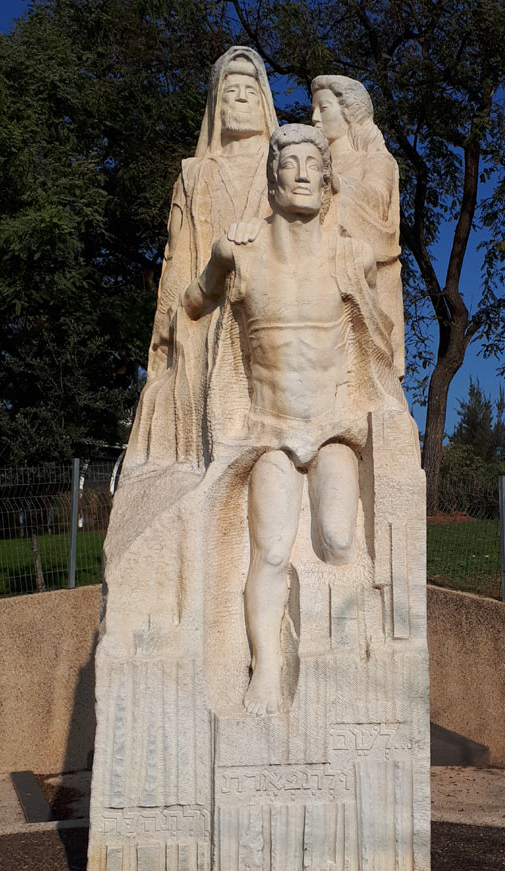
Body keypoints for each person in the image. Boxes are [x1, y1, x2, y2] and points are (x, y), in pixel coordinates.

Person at [185, 124, 406, 715]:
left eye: (315, 162)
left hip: (333, 423)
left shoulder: (349, 253)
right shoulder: (244, 252)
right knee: (273, 551)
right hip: (267, 429)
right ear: (273, 178)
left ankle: (351, 666)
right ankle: (266, 669)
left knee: (338, 538)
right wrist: (215, 261)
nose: (304, 172)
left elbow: (379, 341)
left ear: (328, 181)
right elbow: (190, 305)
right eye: (292, 163)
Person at [125, 47, 278, 470]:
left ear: (265, 102)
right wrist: (167, 338)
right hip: (206, 309)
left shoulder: (286, 169)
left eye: (251, 89)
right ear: (216, 103)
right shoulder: (194, 176)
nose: (243, 98)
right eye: (232, 91)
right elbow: (177, 265)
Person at [311, 74, 405, 380]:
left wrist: (336, 184)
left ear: (348, 113)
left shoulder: (376, 161)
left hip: (359, 280)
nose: (314, 118)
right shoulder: (302, 168)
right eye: (313, 109)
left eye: (323, 109)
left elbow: (378, 205)